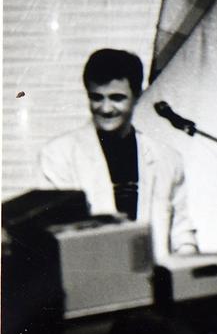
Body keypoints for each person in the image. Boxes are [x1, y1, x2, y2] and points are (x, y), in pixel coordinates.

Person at [39, 48, 198, 257]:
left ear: (137, 95)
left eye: (117, 98)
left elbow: (183, 236)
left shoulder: (168, 158)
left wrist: (188, 264)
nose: (106, 109)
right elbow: (55, 239)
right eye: (97, 97)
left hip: (156, 275)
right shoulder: (58, 156)